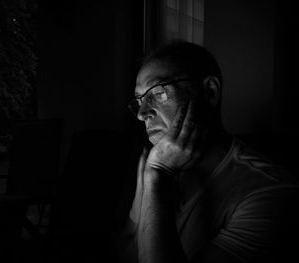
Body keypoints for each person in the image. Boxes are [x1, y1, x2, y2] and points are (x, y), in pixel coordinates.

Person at [119, 40, 299, 263]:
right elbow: (130, 240)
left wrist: (157, 174)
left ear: (210, 92)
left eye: (158, 92)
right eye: (139, 100)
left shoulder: (271, 194)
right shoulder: (151, 159)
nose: (142, 113)